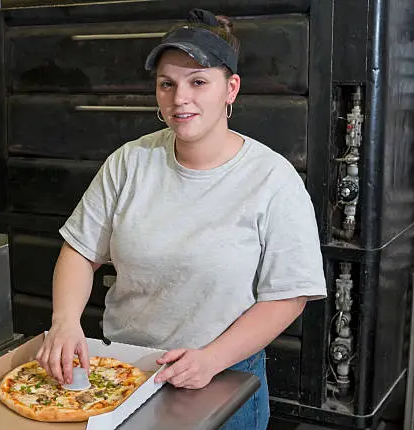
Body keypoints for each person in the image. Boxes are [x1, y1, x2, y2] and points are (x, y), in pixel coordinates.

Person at [35, 8, 327, 429]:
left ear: (232, 88)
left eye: (198, 82)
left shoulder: (271, 178)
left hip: (222, 379)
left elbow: (288, 295)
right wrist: (63, 323)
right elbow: (80, 251)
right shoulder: (130, 162)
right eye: (166, 85)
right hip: (124, 372)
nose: (179, 99)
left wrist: (211, 359)